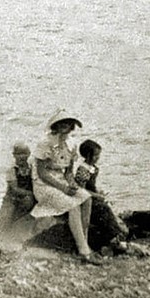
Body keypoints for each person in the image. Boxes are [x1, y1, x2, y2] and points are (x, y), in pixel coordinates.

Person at [31, 109, 101, 264]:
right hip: (43, 184)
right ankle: (84, 251)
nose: (65, 126)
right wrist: (63, 189)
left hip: (61, 180)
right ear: (55, 125)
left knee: (86, 198)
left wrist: (72, 185)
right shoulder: (45, 144)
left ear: (72, 126)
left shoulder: (71, 144)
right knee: (73, 205)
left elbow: (68, 172)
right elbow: (42, 173)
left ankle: (84, 241)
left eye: (68, 124)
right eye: (62, 123)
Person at [76, 139, 130, 253]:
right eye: (95, 155)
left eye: (98, 154)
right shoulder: (83, 170)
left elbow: (91, 186)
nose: (98, 157)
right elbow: (80, 189)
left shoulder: (93, 168)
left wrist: (99, 192)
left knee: (106, 208)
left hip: (91, 195)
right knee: (103, 210)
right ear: (88, 155)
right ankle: (115, 238)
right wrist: (96, 195)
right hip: (85, 198)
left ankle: (116, 237)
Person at [0, 143, 38, 249]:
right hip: (12, 199)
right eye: (18, 154)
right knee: (6, 215)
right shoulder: (12, 170)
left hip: (29, 198)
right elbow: (14, 189)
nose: (21, 156)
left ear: (29, 154)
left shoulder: (32, 168)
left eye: (24, 153)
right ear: (14, 155)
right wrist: (30, 193)